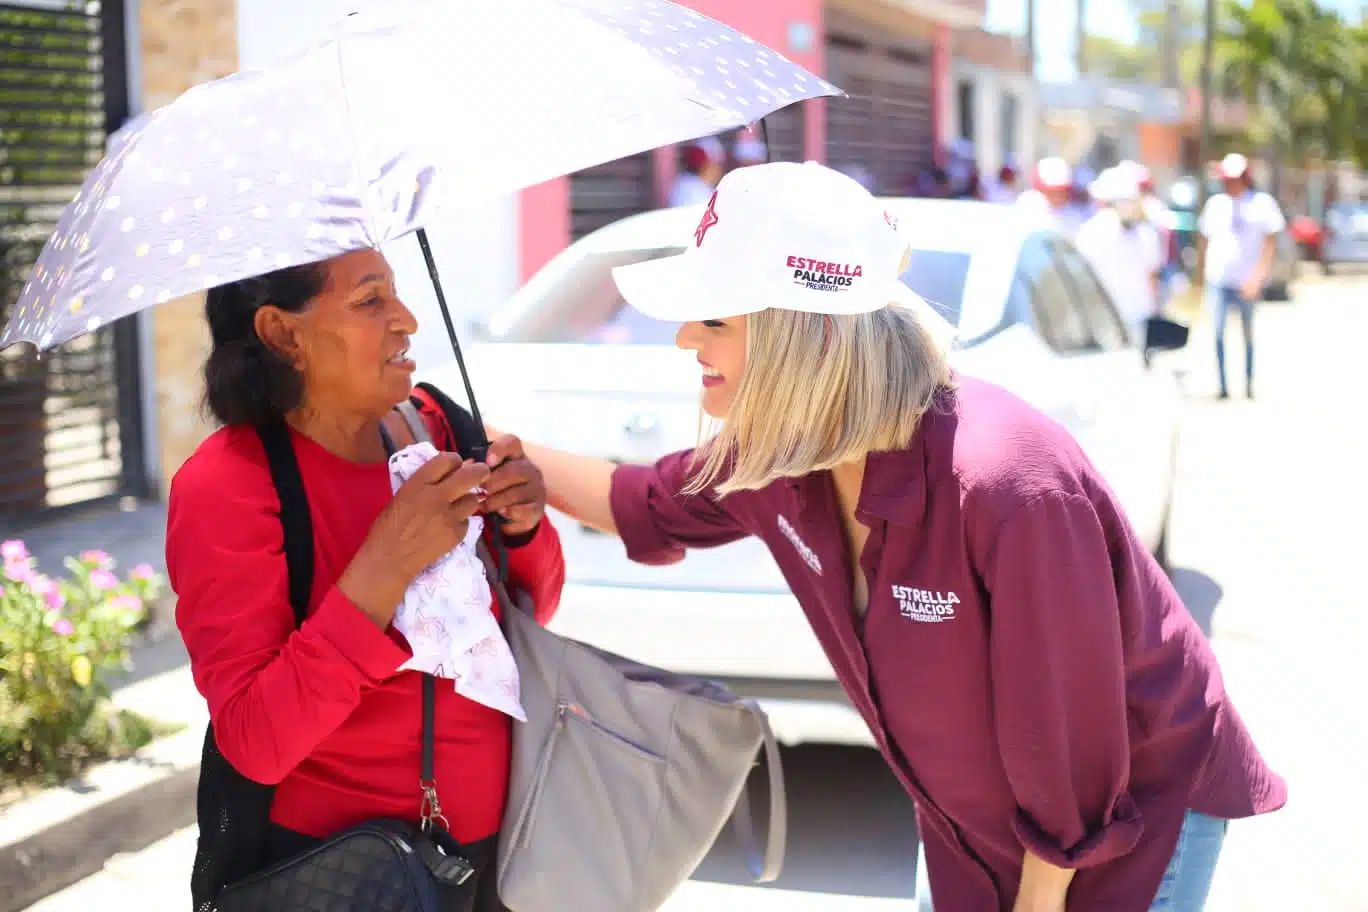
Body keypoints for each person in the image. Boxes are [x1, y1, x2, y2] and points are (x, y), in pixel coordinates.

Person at [499, 161, 1286, 911]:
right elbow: (634, 499)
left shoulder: (1004, 477)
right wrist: (476, 438)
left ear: (798, 338)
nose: (683, 342)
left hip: (1122, 824)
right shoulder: (777, 457)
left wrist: (1040, 899)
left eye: (713, 320)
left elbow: (1071, 738)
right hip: (970, 817)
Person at [167, 248, 566, 911]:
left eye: (398, 294)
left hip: (501, 858)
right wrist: (381, 570)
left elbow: (526, 615)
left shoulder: (436, 426)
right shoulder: (228, 484)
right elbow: (256, 743)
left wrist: (522, 525)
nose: (406, 319)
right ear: (282, 334)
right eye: (369, 300)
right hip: (345, 877)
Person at [1198, 153, 1285, 399]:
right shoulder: (1215, 204)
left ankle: (1247, 384)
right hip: (1218, 278)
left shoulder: (1261, 203)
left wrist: (1258, 277)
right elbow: (1204, 240)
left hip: (1247, 281)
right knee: (1217, 332)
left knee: (1247, 335)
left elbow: (1270, 244)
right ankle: (1222, 386)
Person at [1076, 166, 1164, 355]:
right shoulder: (1145, 232)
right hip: (1125, 319)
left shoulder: (1091, 231)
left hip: (1113, 320)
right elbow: (1153, 277)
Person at [1016, 157, 1087, 240]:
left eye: (1061, 191)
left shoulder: (1075, 215)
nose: (1058, 195)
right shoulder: (1027, 206)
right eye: (1052, 191)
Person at [668, 137, 724, 207]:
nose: (718, 169)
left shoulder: (701, 187)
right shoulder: (690, 189)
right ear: (705, 164)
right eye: (716, 164)